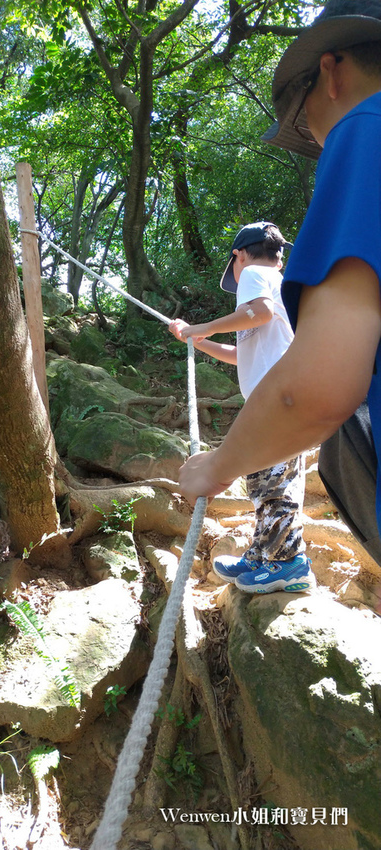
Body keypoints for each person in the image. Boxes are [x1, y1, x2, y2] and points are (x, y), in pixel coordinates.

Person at [177, 0, 381, 571]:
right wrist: (201, 341)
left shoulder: (365, 128)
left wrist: (215, 465)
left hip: (280, 415)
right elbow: (255, 348)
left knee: (270, 491)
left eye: (301, 112)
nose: (313, 134)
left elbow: (313, 383)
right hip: (280, 410)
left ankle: (280, 564)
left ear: (331, 72)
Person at [170, 222, 314, 594]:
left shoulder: (253, 273)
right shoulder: (279, 282)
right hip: (283, 398)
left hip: (278, 399)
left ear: (239, 255)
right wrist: (197, 338)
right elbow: (243, 352)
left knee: (273, 485)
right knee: (266, 480)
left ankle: (288, 562)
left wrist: (203, 327)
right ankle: (264, 555)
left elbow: (259, 313)